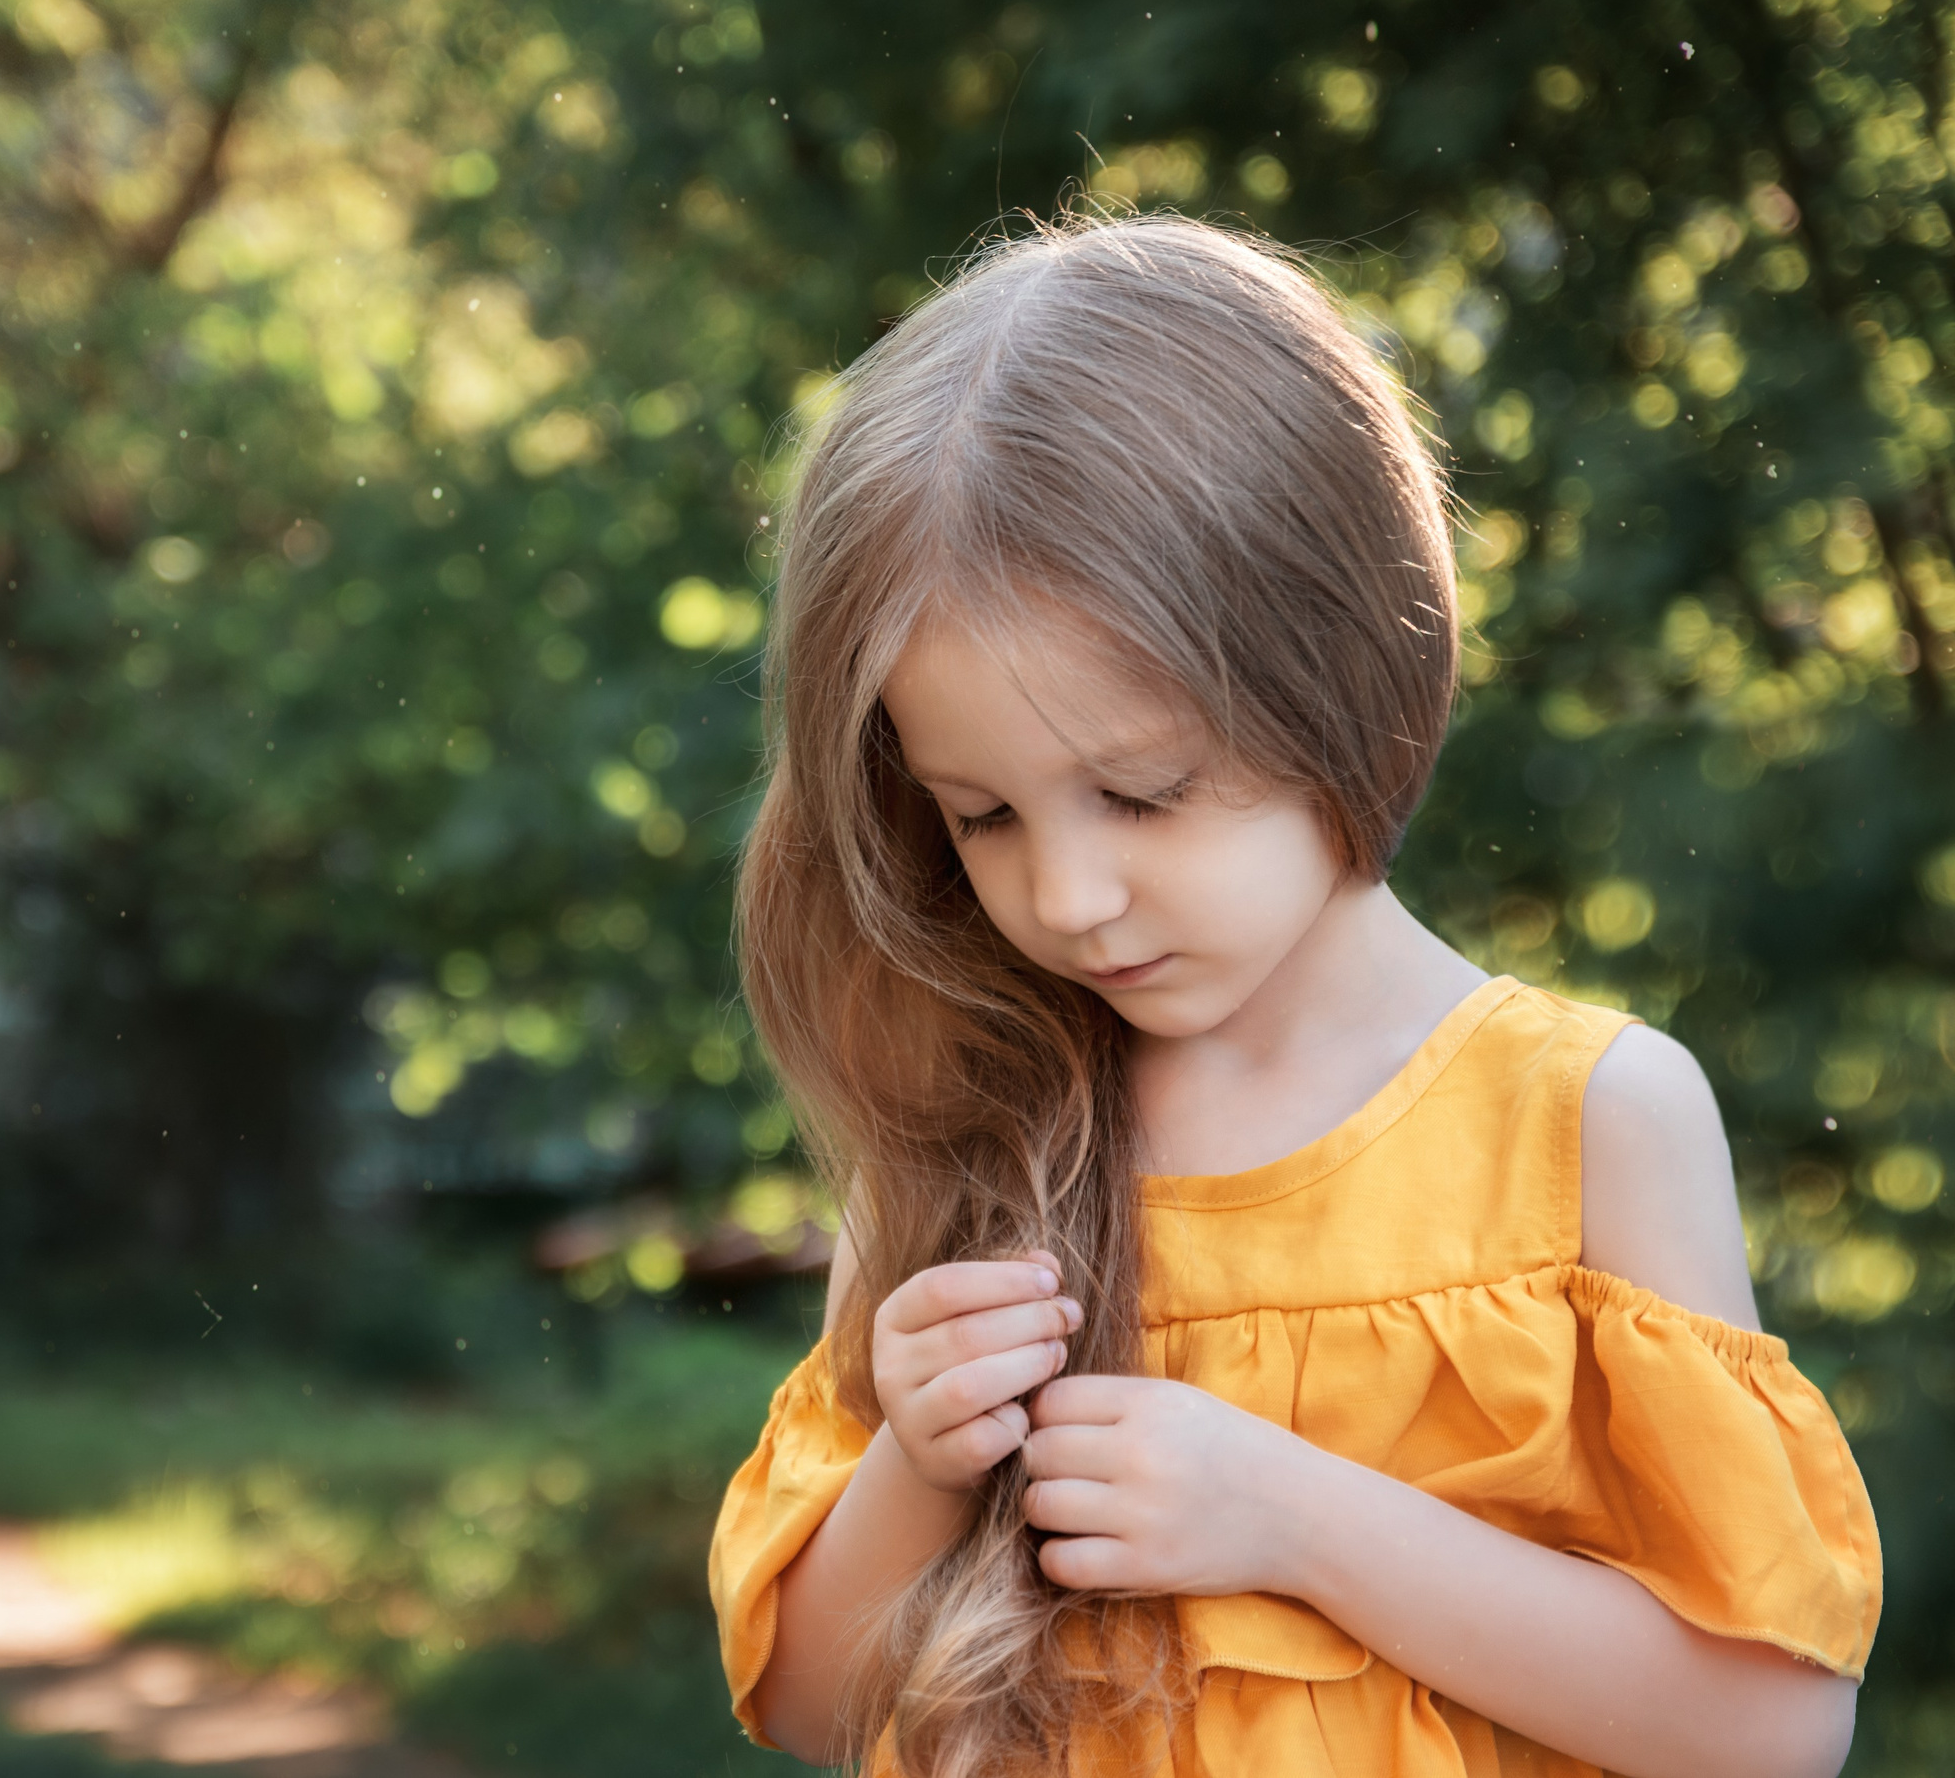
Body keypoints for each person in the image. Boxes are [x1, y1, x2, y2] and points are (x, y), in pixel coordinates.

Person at [708, 212, 1879, 1777]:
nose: (1068, 893)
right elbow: (808, 1707)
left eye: (1141, 791)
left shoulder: (1588, 1120)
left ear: (1345, 672)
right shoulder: (962, 1137)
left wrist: (1293, 1519)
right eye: (983, 815)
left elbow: (1772, 1728)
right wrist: (919, 1466)